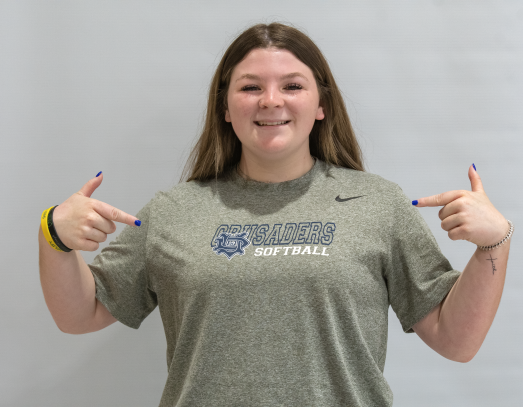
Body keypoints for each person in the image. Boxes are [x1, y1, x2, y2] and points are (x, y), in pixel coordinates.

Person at [38, 22, 513, 407]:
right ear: (226, 107)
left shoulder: (378, 204)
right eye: (250, 87)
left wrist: (494, 243)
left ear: (321, 104)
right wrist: (54, 237)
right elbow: (83, 314)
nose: (271, 100)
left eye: (292, 85)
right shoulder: (174, 211)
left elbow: (456, 340)